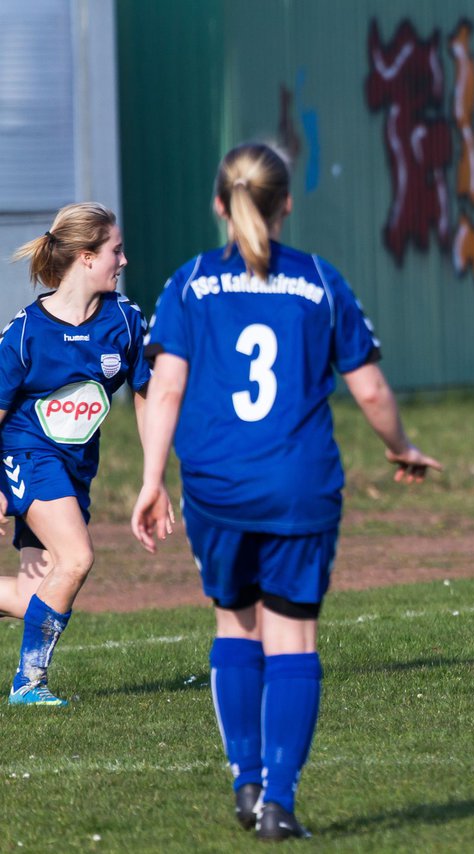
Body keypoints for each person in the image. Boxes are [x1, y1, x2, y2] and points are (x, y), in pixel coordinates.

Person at [130, 142, 441, 841]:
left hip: (216, 485)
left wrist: (151, 481)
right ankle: (279, 801)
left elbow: (167, 387)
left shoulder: (188, 283)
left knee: (235, 622)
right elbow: (371, 388)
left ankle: (245, 783)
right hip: (299, 487)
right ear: (288, 203)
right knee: (293, 635)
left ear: (219, 203)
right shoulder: (320, 281)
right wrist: (401, 447)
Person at [0, 203, 152, 706]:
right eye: (115, 250)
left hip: (74, 470)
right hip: (25, 456)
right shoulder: (26, 331)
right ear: (87, 257)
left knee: (35, 596)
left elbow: (147, 396)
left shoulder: (126, 322)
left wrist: (153, 480)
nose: (124, 260)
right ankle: (29, 685)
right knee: (78, 557)